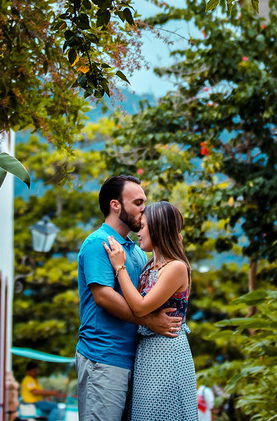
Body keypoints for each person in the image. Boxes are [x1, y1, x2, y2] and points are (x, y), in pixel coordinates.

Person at [76, 175, 182, 421]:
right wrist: (149, 321)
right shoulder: (99, 243)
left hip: (136, 360)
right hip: (103, 357)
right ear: (115, 205)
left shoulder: (136, 251)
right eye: (137, 203)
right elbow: (103, 297)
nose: (144, 209)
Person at [102, 201, 197, 421]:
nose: (138, 232)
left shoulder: (176, 267)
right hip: (147, 352)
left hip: (167, 354)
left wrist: (119, 267)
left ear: (158, 228)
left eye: (143, 226)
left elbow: (139, 307)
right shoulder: (149, 266)